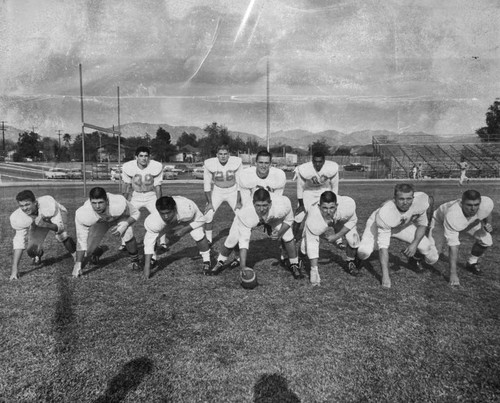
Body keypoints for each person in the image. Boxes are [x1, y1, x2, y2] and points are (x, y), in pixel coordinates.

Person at [208, 188, 305, 279]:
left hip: (273, 217)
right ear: (253, 203)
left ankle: (294, 264)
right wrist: (243, 267)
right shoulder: (245, 212)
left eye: (264, 205)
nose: (261, 209)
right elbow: (244, 243)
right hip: (251, 217)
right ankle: (220, 262)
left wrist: (279, 233)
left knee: (288, 235)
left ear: (270, 204)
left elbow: (289, 220)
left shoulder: (283, 204)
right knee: (232, 239)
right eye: (258, 205)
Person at [357, 183, 439, 288]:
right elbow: (383, 248)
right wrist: (385, 276)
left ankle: (414, 258)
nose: (405, 202)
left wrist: (414, 244)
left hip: (401, 225)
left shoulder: (420, 202)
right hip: (378, 225)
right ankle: (357, 251)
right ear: (394, 198)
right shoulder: (385, 214)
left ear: (413, 197)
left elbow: (422, 225)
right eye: (401, 199)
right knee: (363, 252)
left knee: (429, 251)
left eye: (409, 198)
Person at [429, 190, 494, 286]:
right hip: (440, 222)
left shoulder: (485, 203)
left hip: (466, 222)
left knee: (486, 240)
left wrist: (487, 224)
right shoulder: (453, 214)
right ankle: (416, 255)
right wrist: (453, 274)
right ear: (461, 203)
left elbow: (487, 211)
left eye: (476, 205)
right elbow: (453, 247)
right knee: (432, 257)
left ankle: (471, 263)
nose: (473, 209)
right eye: (469, 205)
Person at [72, 187, 140, 278]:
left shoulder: (118, 202)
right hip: (100, 222)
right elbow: (81, 241)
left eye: (100, 202)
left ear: (107, 201)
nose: (97, 206)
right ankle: (98, 251)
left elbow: (136, 213)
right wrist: (78, 263)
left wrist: (125, 225)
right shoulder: (84, 212)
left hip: (119, 217)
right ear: (90, 201)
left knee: (128, 233)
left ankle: (135, 261)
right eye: (94, 203)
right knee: (86, 255)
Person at [9, 190, 76, 280]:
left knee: (62, 236)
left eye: (27, 204)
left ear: (35, 202)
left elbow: (60, 227)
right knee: (32, 251)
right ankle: (38, 254)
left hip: (56, 215)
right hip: (38, 220)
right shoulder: (18, 217)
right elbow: (19, 242)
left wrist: (46, 224)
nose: (24, 208)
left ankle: (76, 257)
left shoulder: (48, 204)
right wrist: (14, 269)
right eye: (21, 205)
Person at [299, 191, 360, 285]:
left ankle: (350, 261)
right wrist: (313, 270)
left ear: (337, 205)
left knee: (353, 240)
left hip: (341, 219)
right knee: (305, 247)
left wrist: (337, 236)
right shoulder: (314, 215)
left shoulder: (347, 206)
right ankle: (301, 258)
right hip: (318, 222)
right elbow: (313, 243)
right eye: (324, 208)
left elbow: (352, 221)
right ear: (319, 206)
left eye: (332, 207)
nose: (328, 211)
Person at [142, 196, 211, 279]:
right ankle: (153, 260)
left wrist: (185, 229)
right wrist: (147, 267)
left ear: (174, 209)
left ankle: (207, 261)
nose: (166, 216)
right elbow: (149, 243)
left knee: (198, 235)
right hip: (168, 223)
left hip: (187, 218)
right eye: (163, 213)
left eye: (168, 212)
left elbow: (203, 219)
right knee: (153, 238)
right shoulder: (154, 221)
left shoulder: (187, 209)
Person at [120, 146, 166, 250]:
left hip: (151, 196)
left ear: (149, 157)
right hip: (136, 195)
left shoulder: (155, 166)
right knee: (127, 217)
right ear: (136, 157)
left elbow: (158, 186)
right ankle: (124, 243)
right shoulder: (129, 167)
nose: (144, 158)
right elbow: (126, 185)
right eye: (141, 156)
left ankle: (162, 242)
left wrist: (160, 202)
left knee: (161, 216)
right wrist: (124, 201)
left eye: (146, 156)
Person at [293, 151, 339, 241]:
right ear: (312, 161)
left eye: (320, 161)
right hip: (309, 191)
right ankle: (293, 237)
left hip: (324, 189)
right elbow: (300, 187)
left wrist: (335, 201)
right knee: (299, 215)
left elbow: (335, 186)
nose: (317, 164)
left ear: (324, 161)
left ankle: (338, 238)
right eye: (315, 162)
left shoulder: (331, 168)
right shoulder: (305, 169)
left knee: (333, 214)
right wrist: (301, 205)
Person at [203, 144, 243, 244]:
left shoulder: (236, 162)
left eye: (225, 154)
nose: (223, 156)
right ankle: (208, 240)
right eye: (220, 154)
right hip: (217, 191)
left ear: (229, 155)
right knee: (208, 214)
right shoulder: (210, 163)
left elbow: (240, 183)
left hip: (232, 190)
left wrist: (238, 201)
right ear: (217, 155)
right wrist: (209, 203)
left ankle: (241, 237)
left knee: (240, 214)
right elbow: (207, 184)